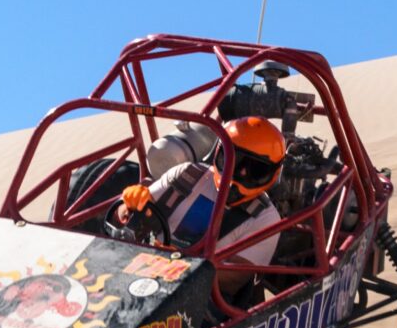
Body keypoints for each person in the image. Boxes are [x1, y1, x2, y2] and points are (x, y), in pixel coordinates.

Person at [116, 116, 285, 273]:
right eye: (233, 161)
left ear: (273, 174)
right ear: (219, 153)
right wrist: (128, 205)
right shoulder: (188, 174)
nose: (238, 175)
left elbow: (234, 279)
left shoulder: (265, 219)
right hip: (143, 268)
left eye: (256, 171)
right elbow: (125, 219)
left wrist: (173, 266)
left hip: (195, 298)